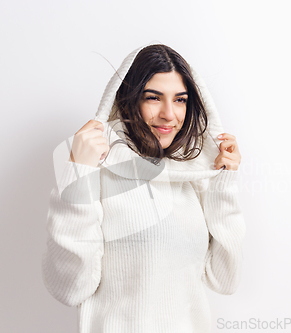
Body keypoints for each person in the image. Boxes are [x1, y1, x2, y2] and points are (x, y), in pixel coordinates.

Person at [41, 41, 246, 333]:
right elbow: (69, 288)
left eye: (180, 100)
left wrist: (223, 182)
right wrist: (78, 174)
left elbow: (225, 279)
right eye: (153, 98)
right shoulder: (96, 168)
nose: (169, 114)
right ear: (129, 99)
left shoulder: (194, 172)